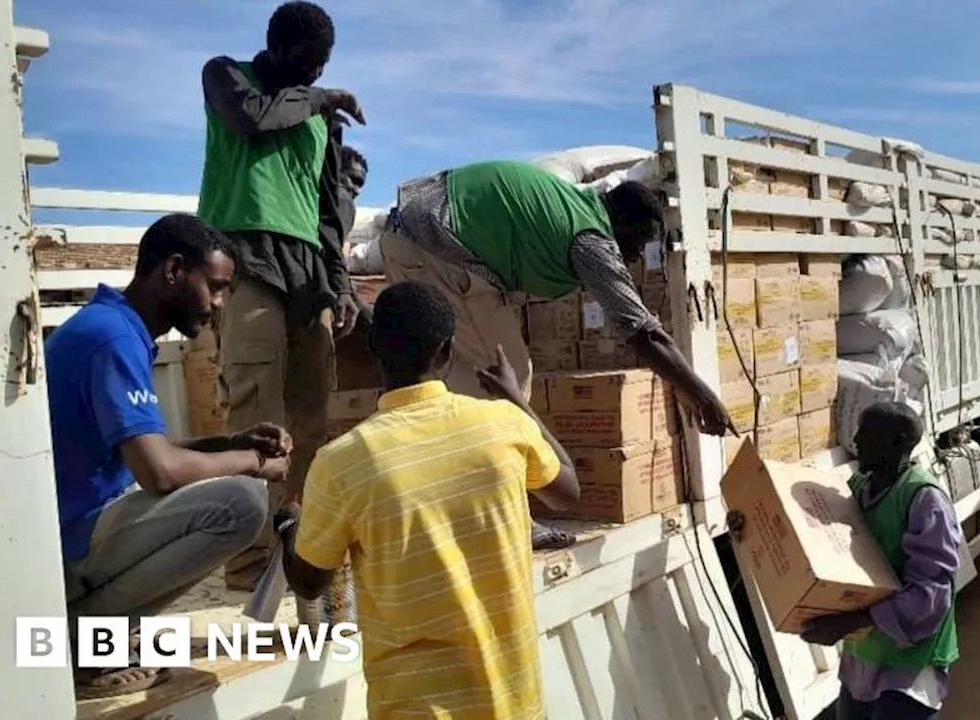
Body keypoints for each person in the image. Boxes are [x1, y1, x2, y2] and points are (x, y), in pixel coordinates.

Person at [273, 280, 580, 719]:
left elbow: (309, 583)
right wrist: (516, 400)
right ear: (447, 352)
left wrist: (288, 526)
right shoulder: (504, 425)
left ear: (375, 355)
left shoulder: (341, 462)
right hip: (515, 704)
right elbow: (567, 491)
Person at [47, 214, 293, 700]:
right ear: (174, 270)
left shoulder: (110, 326)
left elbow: (147, 448)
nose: (219, 305)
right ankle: (86, 637)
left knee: (231, 483)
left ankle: (94, 629)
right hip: (65, 547)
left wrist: (230, 442)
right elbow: (158, 471)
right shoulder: (113, 339)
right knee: (241, 502)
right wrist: (255, 465)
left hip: (68, 535)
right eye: (216, 288)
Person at [197, 0, 367, 589]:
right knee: (255, 411)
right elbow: (252, 118)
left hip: (307, 273)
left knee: (312, 416)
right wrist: (322, 99)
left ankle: (308, 549)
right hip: (246, 257)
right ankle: (248, 560)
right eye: (311, 61)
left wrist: (338, 283)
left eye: (325, 66)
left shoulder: (321, 119)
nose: (318, 73)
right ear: (281, 48)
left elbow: (327, 214)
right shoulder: (226, 74)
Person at [379, 160, 733, 434]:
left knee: (451, 379)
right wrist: (702, 396)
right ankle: (508, 505)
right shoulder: (592, 241)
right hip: (432, 245)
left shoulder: (574, 203)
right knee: (508, 381)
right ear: (621, 223)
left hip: (411, 235)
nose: (638, 256)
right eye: (638, 242)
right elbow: (642, 333)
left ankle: (449, 487)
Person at [730, 402, 962, 720]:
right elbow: (808, 541)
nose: (855, 441)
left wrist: (852, 622)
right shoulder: (858, 490)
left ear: (899, 443)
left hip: (910, 670)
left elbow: (931, 598)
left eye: (867, 434)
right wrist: (751, 523)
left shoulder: (925, 502)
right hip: (862, 664)